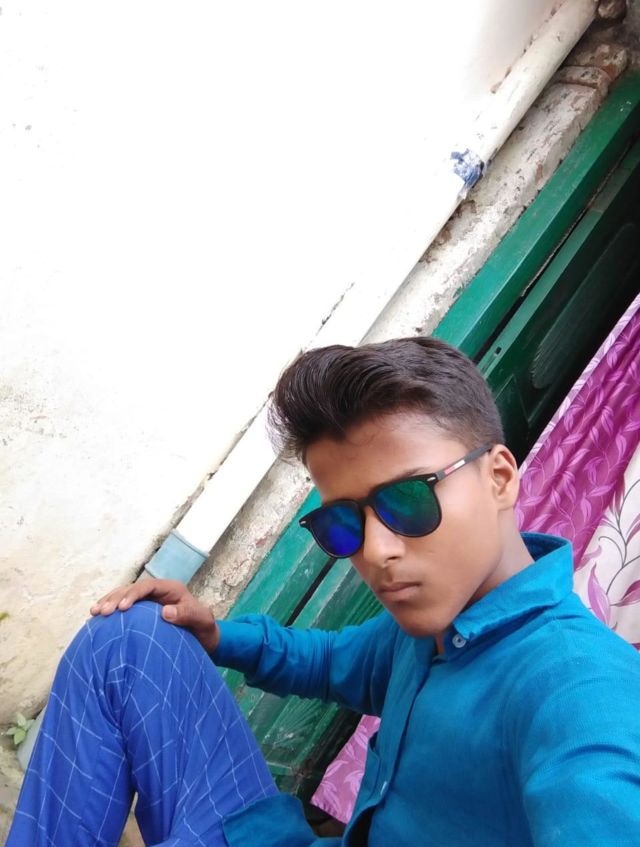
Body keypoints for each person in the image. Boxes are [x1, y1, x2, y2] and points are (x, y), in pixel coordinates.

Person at [7, 336, 640, 847]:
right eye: (343, 524)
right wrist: (217, 634)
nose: (376, 551)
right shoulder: (438, 624)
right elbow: (332, 660)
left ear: (499, 478)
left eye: (407, 500)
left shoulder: (581, 693)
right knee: (130, 639)